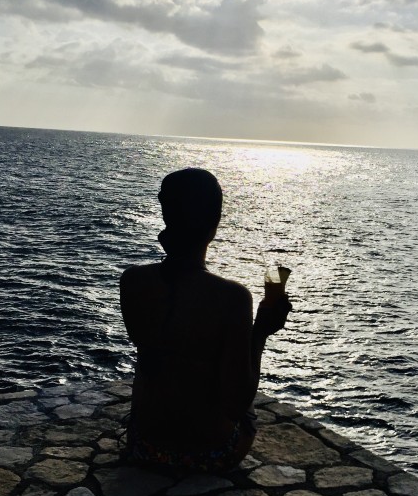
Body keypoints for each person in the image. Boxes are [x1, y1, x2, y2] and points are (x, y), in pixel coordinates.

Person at [119, 168, 291, 471]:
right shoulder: (232, 298)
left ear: (166, 214)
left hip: (145, 447)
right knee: (248, 412)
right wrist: (260, 332)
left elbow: (164, 353)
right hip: (207, 455)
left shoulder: (132, 281)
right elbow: (236, 403)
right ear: (214, 224)